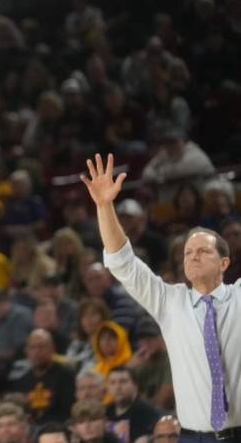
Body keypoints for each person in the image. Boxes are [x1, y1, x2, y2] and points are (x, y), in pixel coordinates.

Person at [81, 154, 241, 441]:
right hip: (194, 436)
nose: (193, 257)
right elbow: (122, 262)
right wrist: (104, 206)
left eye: (203, 251)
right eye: (188, 253)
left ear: (224, 263)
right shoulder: (169, 302)